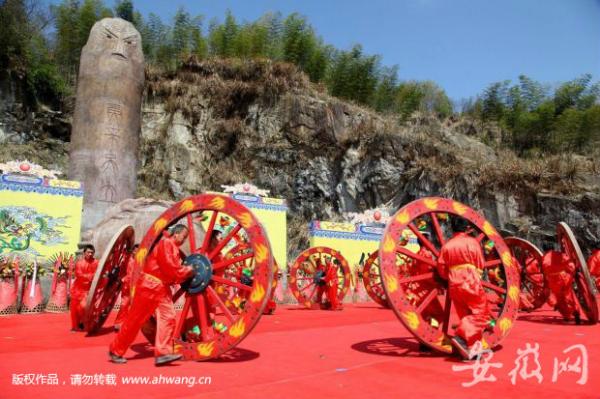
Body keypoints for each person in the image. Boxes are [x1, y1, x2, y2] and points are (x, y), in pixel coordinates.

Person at [109, 224, 194, 366]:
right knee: (135, 320)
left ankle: (163, 353)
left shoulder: (172, 247)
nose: (184, 239)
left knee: (169, 317)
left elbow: (173, 273)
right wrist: (187, 271)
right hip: (149, 286)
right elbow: (171, 268)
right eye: (183, 236)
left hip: (161, 288)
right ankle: (116, 350)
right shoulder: (166, 243)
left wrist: (183, 273)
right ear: (176, 234)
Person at [436, 217, 492, 359]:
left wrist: (449, 277)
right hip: (470, 281)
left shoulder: (447, 246)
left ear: (453, 228)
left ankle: (471, 350)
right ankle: (461, 336)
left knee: (466, 316)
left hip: (454, 284)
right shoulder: (472, 242)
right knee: (482, 314)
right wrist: (476, 275)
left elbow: (441, 269)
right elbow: (480, 263)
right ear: (466, 228)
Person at [541, 242, 580, 324]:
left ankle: (567, 316)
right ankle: (576, 310)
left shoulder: (545, 258)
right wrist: (572, 272)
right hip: (564, 277)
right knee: (569, 295)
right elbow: (570, 264)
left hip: (554, 280)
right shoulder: (559, 254)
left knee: (560, 299)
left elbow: (545, 269)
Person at [70, 245, 99, 331]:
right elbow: (79, 275)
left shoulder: (97, 262)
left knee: (83, 307)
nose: (90, 254)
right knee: (74, 309)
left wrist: (91, 277)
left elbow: (98, 274)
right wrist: (92, 276)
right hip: (77, 289)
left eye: (92, 252)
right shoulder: (79, 263)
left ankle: (83, 322)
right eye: (88, 252)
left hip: (89, 290)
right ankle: (75, 326)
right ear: (84, 253)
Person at [113, 244, 139, 331]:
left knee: (134, 307)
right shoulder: (126, 260)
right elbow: (121, 271)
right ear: (132, 251)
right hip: (126, 287)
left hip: (137, 287)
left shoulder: (142, 261)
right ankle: (118, 323)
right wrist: (122, 279)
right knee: (124, 305)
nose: (136, 252)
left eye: (138, 250)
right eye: (135, 250)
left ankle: (130, 325)